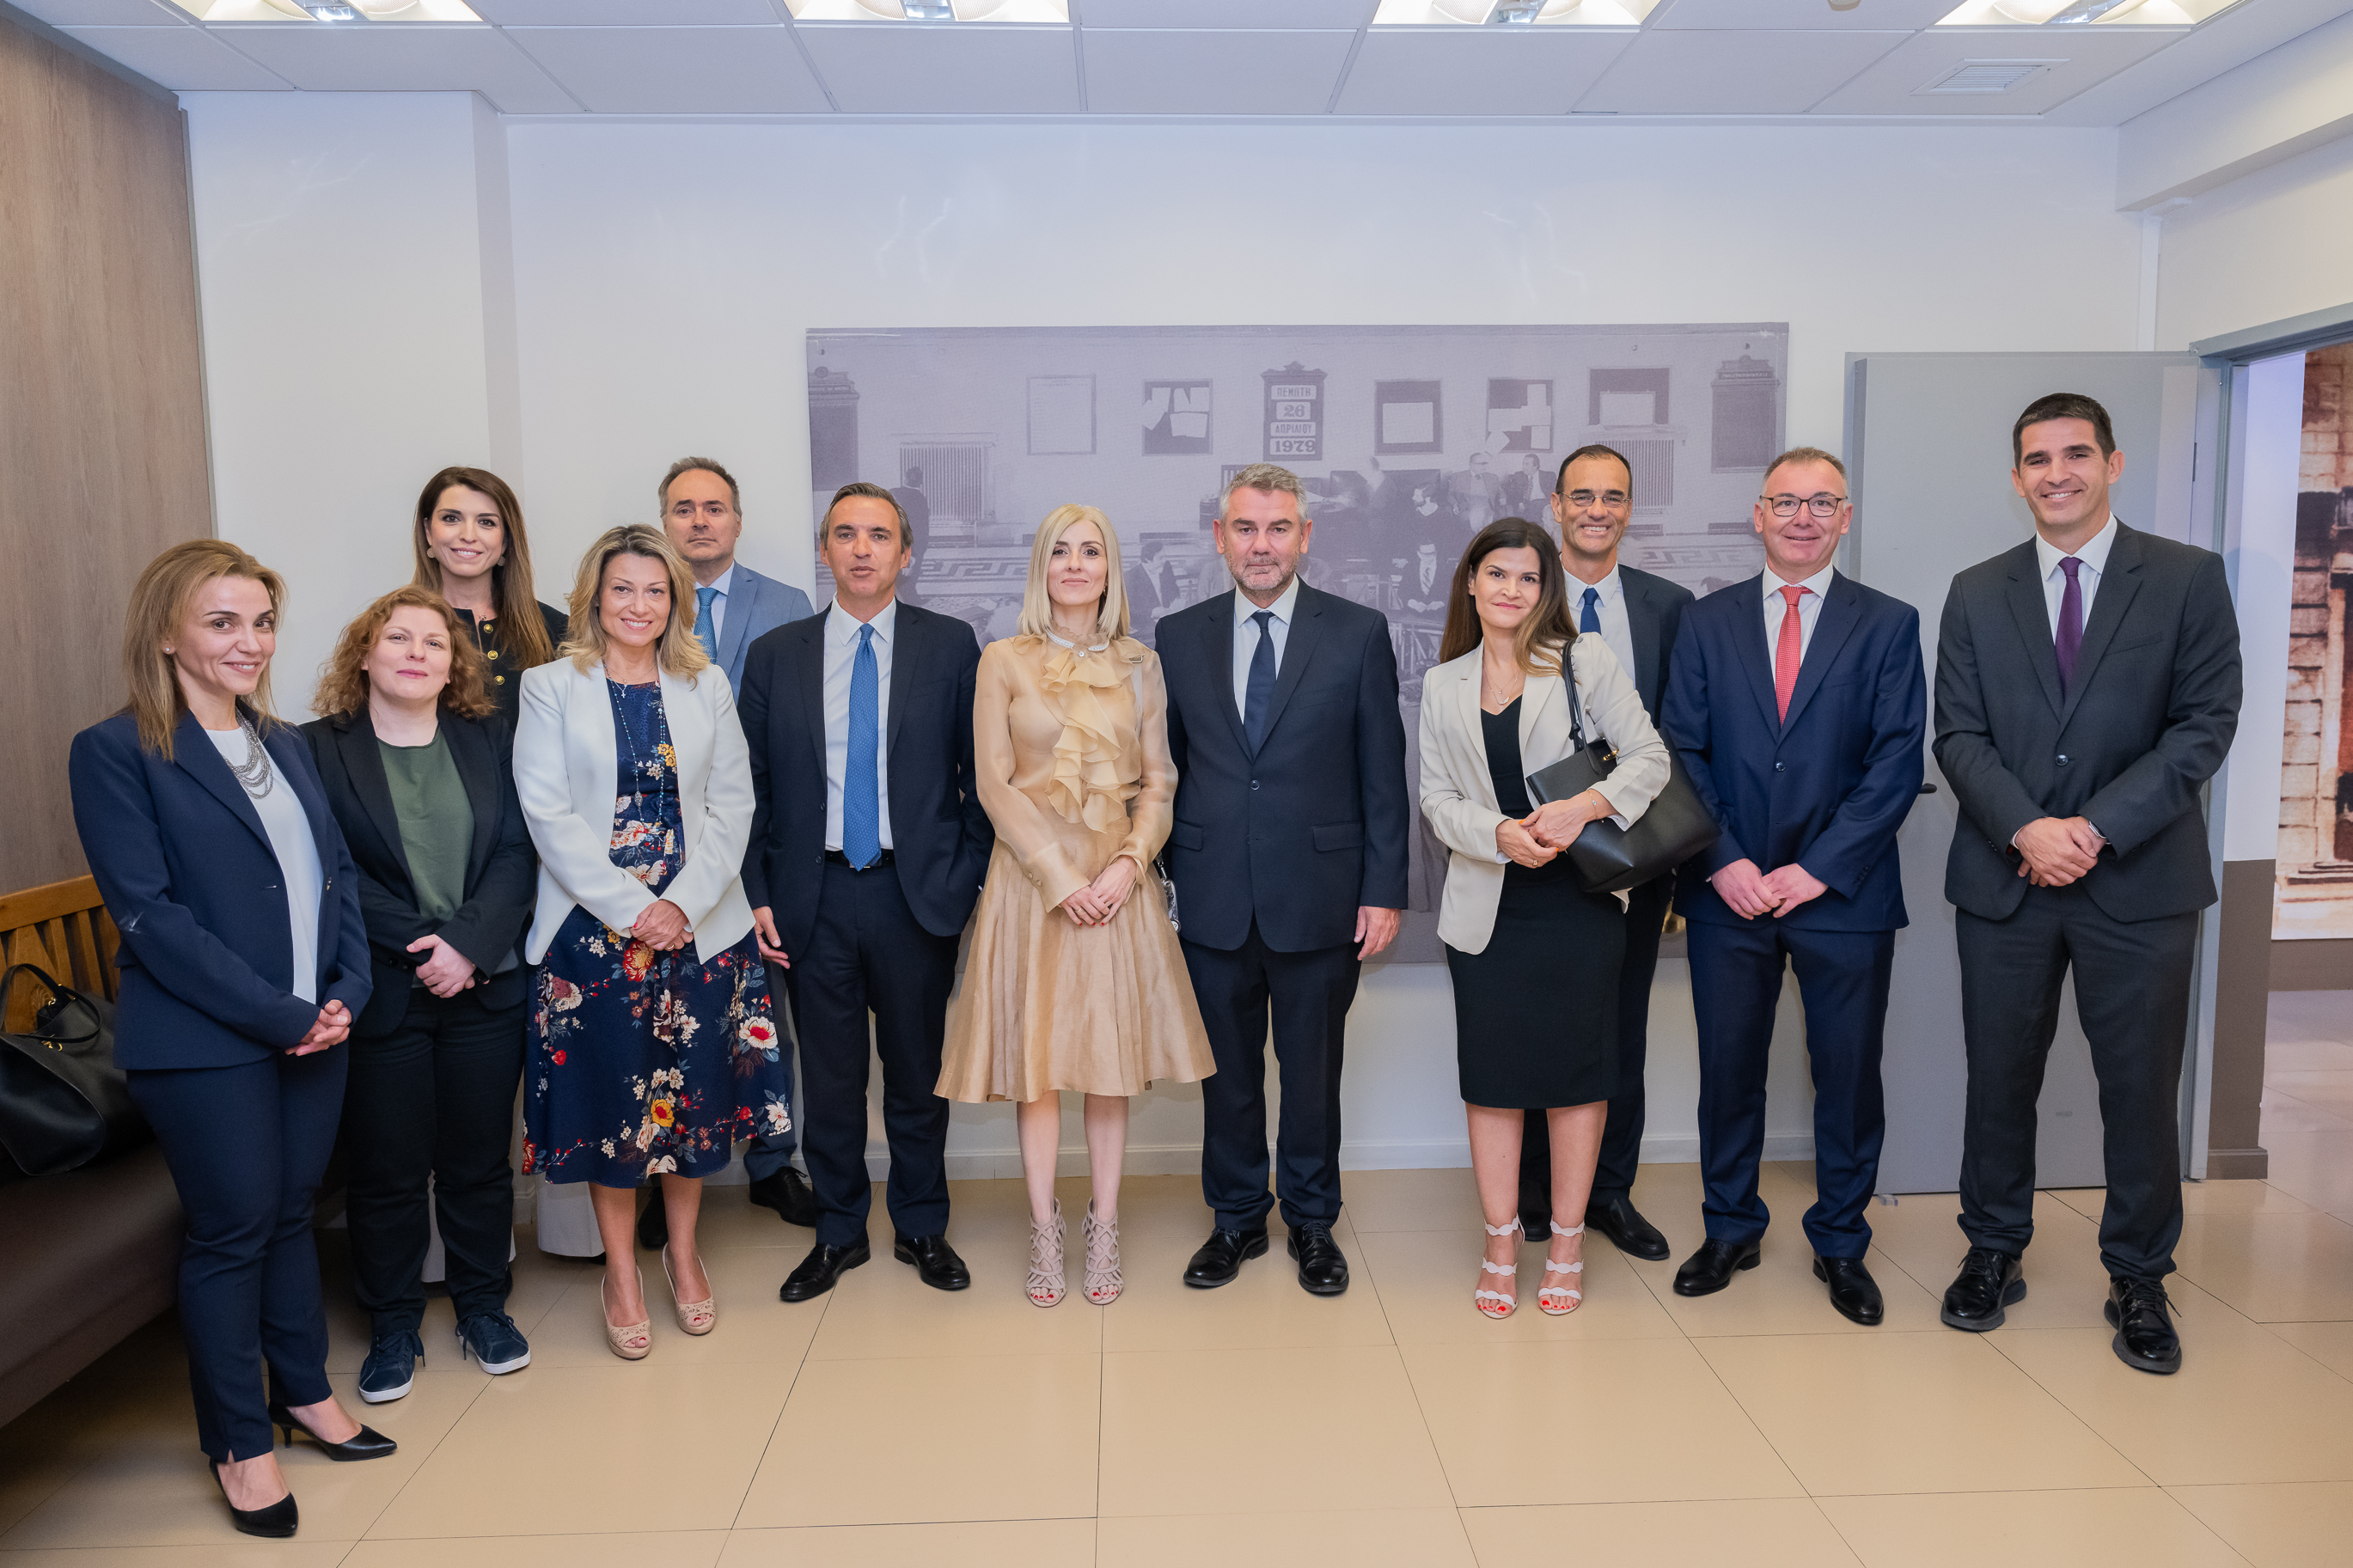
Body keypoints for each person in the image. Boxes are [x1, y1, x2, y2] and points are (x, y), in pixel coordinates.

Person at [70, 540, 388, 1541]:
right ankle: (239, 1443)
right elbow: (152, 919)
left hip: (314, 1025)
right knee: (233, 1230)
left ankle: (306, 1393)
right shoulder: (115, 751)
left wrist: (346, 989)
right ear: (166, 635)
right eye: (221, 622)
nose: (249, 642)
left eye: (260, 622)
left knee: (290, 1213)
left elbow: (334, 875)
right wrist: (282, 1015)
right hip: (206, 1042)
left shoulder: (281, 743)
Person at [1933, 394, 2242, 1375]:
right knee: (1998, 1079)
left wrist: (2094, 829)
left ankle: (2139, 1275)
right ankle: (1992, 1249)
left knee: (2140, 1088)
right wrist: (2027, 826)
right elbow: (1958, 734)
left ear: (2112, 463)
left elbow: (2204, 724)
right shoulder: (1976, 591)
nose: (2055, 473)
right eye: (2036, 458)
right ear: (2015, 476)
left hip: (2141, 883)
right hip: (2006, 879)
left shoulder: (2186, 578)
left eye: (2075, 454)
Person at [1662, 446, 1926, 1327]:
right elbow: (1679, 747)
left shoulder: (1887, 623)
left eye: (1821, 503)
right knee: (1727, 1070)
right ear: (1758, 515)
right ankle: (1729, 1227)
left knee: (1845, 1077)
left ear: (1845, 517)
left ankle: (1841, 1241)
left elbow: (1896, 761)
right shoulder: (1705, 621)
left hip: (1843, 894)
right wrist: (1724, 858)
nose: (1802, 518)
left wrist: (1816, 869)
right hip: (1727, 890)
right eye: (1785, 502)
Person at [513, 526, 791, 1358]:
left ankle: (682, 1253)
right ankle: (621, 1273)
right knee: (614, 1105)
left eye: (655, 590)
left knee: (692, 1097)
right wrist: (636, 910)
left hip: (699, 927)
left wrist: (681, 904)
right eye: (622, 589)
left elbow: (734, 804)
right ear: (594, 597)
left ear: (676, 601)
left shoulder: (705, 685)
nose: (638, 605)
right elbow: (546, 812)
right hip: (593, 933)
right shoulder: (549, 686)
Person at [938, 507, 1217, 1306]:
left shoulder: (1142, 664)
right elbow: (992, 783)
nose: (1074, 563)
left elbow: (1160, 780)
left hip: (1116, 882)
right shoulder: (1003, 659)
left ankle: (1103, 1224)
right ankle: (1042, 1227)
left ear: (1109, 569)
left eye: (1090, 550)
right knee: (1038, 1068)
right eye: (1059, 550)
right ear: (1041, 566)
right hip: (1033, 884)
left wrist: (1131, 863)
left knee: (1106, 1065)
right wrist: (1060, 877)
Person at [1155, 462, 1409, 1296]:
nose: (1259, 545)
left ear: (1304, 536)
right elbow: (1167, 771)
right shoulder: (1178, 635)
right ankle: (1235, 1218)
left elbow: (1382, 772)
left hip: (1321, 897)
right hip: (1212, 896)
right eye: (1244, 528)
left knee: (1310, 1076)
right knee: (1225, 1077)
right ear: (1219, 536)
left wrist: (1383, 889)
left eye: (1276, 528)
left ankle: (1310, 1222)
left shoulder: (1357, 631)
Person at [738, 483, 994, 1303]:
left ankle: (921, 1225)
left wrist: (965, 877)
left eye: (879, 535)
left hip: (912, 896)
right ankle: (839, 1230)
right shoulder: (776, 653)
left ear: (905, 553)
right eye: (845, 534)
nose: (861, 548)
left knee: (917, 1074)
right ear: (825, 550)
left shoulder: (950, 646)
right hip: (810, 896)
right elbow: (750, 787)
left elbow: (982, 777)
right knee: (832, 1081)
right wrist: (757, 890)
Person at [1421, 518, 1671, 1317]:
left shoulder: (1582, 659)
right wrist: (1496, 833)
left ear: (1545, 589)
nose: (1511, 589)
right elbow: (1436, 799)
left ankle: (1565, 1244)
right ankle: (1501, 1242)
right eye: (1496, 573)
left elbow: (1651, 758)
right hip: (1486, 908)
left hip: (1578, 903)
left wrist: (1582, 807)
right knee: (1491, 1083)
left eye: (1527, 577)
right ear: (1471, 582)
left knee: (1575, 1081)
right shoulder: (1443, 682)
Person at [302, 586, 539, 1403]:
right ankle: (394, 1323)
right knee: (388, 1171)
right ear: (364, 653)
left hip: (484, 984)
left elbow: (517, 852)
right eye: (398, 638)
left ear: (453, 665)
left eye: (434, 643)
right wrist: (427, 946)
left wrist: (468, 943)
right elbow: (330, 869)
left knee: (478, 1164)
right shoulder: (317, 748)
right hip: (384, 990)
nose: (416, 653)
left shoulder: (489, 736)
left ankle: (483, 1308)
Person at [1510, 444, 1695, 1262]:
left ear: (1629, 508)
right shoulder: (1517, 592)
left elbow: (1681, 733)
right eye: (1581, 496)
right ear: (1555, 504)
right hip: (1536, 852)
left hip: (1636, 852)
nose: (1597, 510)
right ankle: (1533, 1193)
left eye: (1612, 496)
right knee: (1534, 1022)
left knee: (1620, 1026)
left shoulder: (1670, 607)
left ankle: (1609, 1191)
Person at [643, 455, 819, 1248]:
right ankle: (663, 1171)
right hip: (665, 834)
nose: (700, 521)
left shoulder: (787, 604)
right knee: (666, 1012)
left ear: (738, 521)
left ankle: (774, 1160)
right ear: (665, 521)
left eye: (714, 507)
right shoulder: (640, 603)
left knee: (767, 1009)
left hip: (765, 828)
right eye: (684, 508)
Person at [409, 466, 568, 724]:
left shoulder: (558, 630)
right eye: (451, 518)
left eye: (486, 522)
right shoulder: (388, 629)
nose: (468, 536)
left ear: (505, 540)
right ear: (428, 531)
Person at [892, 465, 932, 606]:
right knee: (912, 571)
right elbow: (922, 525)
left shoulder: (893, 492)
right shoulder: (920, 499)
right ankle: (910, 601)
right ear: (920, 482)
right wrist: (922, 545)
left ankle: (909, 597)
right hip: (914, 541)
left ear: (905, 478)